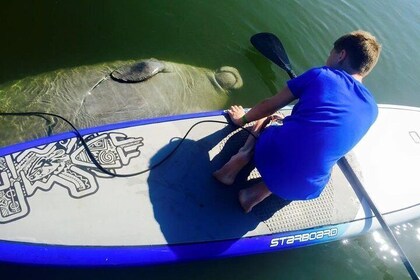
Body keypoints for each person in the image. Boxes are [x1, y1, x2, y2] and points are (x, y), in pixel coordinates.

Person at [213, 30, 381, 213]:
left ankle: (239, 160)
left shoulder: (322, 75)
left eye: (331, 53)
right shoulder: (372, 108)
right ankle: (253, 195)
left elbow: (269, 105)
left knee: (266, 116)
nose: (328, 57)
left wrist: (241, 119)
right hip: (307, 188)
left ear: (341, 55)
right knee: (315, 160)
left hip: (271, 156)